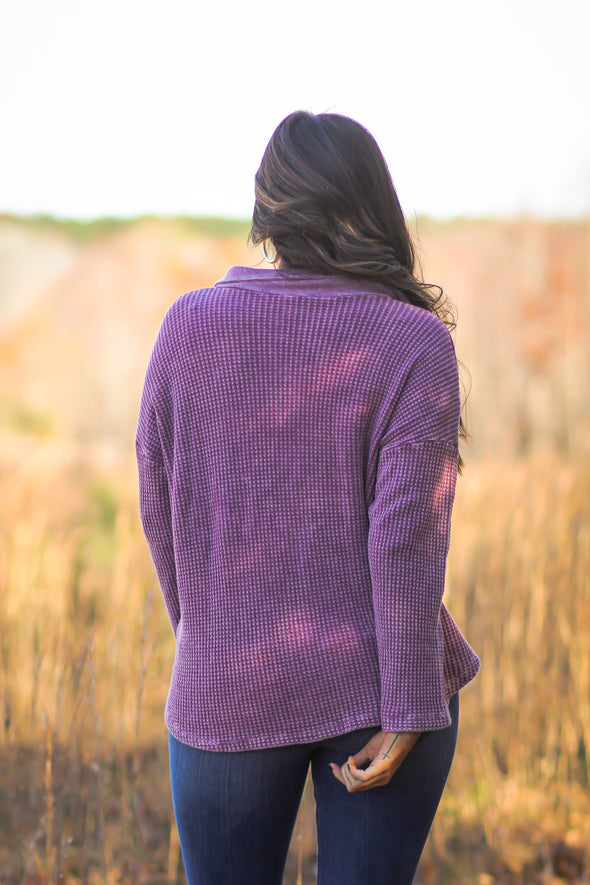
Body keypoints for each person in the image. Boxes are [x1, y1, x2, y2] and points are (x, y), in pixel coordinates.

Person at [136, 110, 480, 885]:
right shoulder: (414, 340)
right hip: (376, 686)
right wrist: (411, 706)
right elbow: (406, 538)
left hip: (226, 683)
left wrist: (205, 633)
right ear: (373, 206)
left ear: (270, 213)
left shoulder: (186, 326)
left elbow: (156, 492)